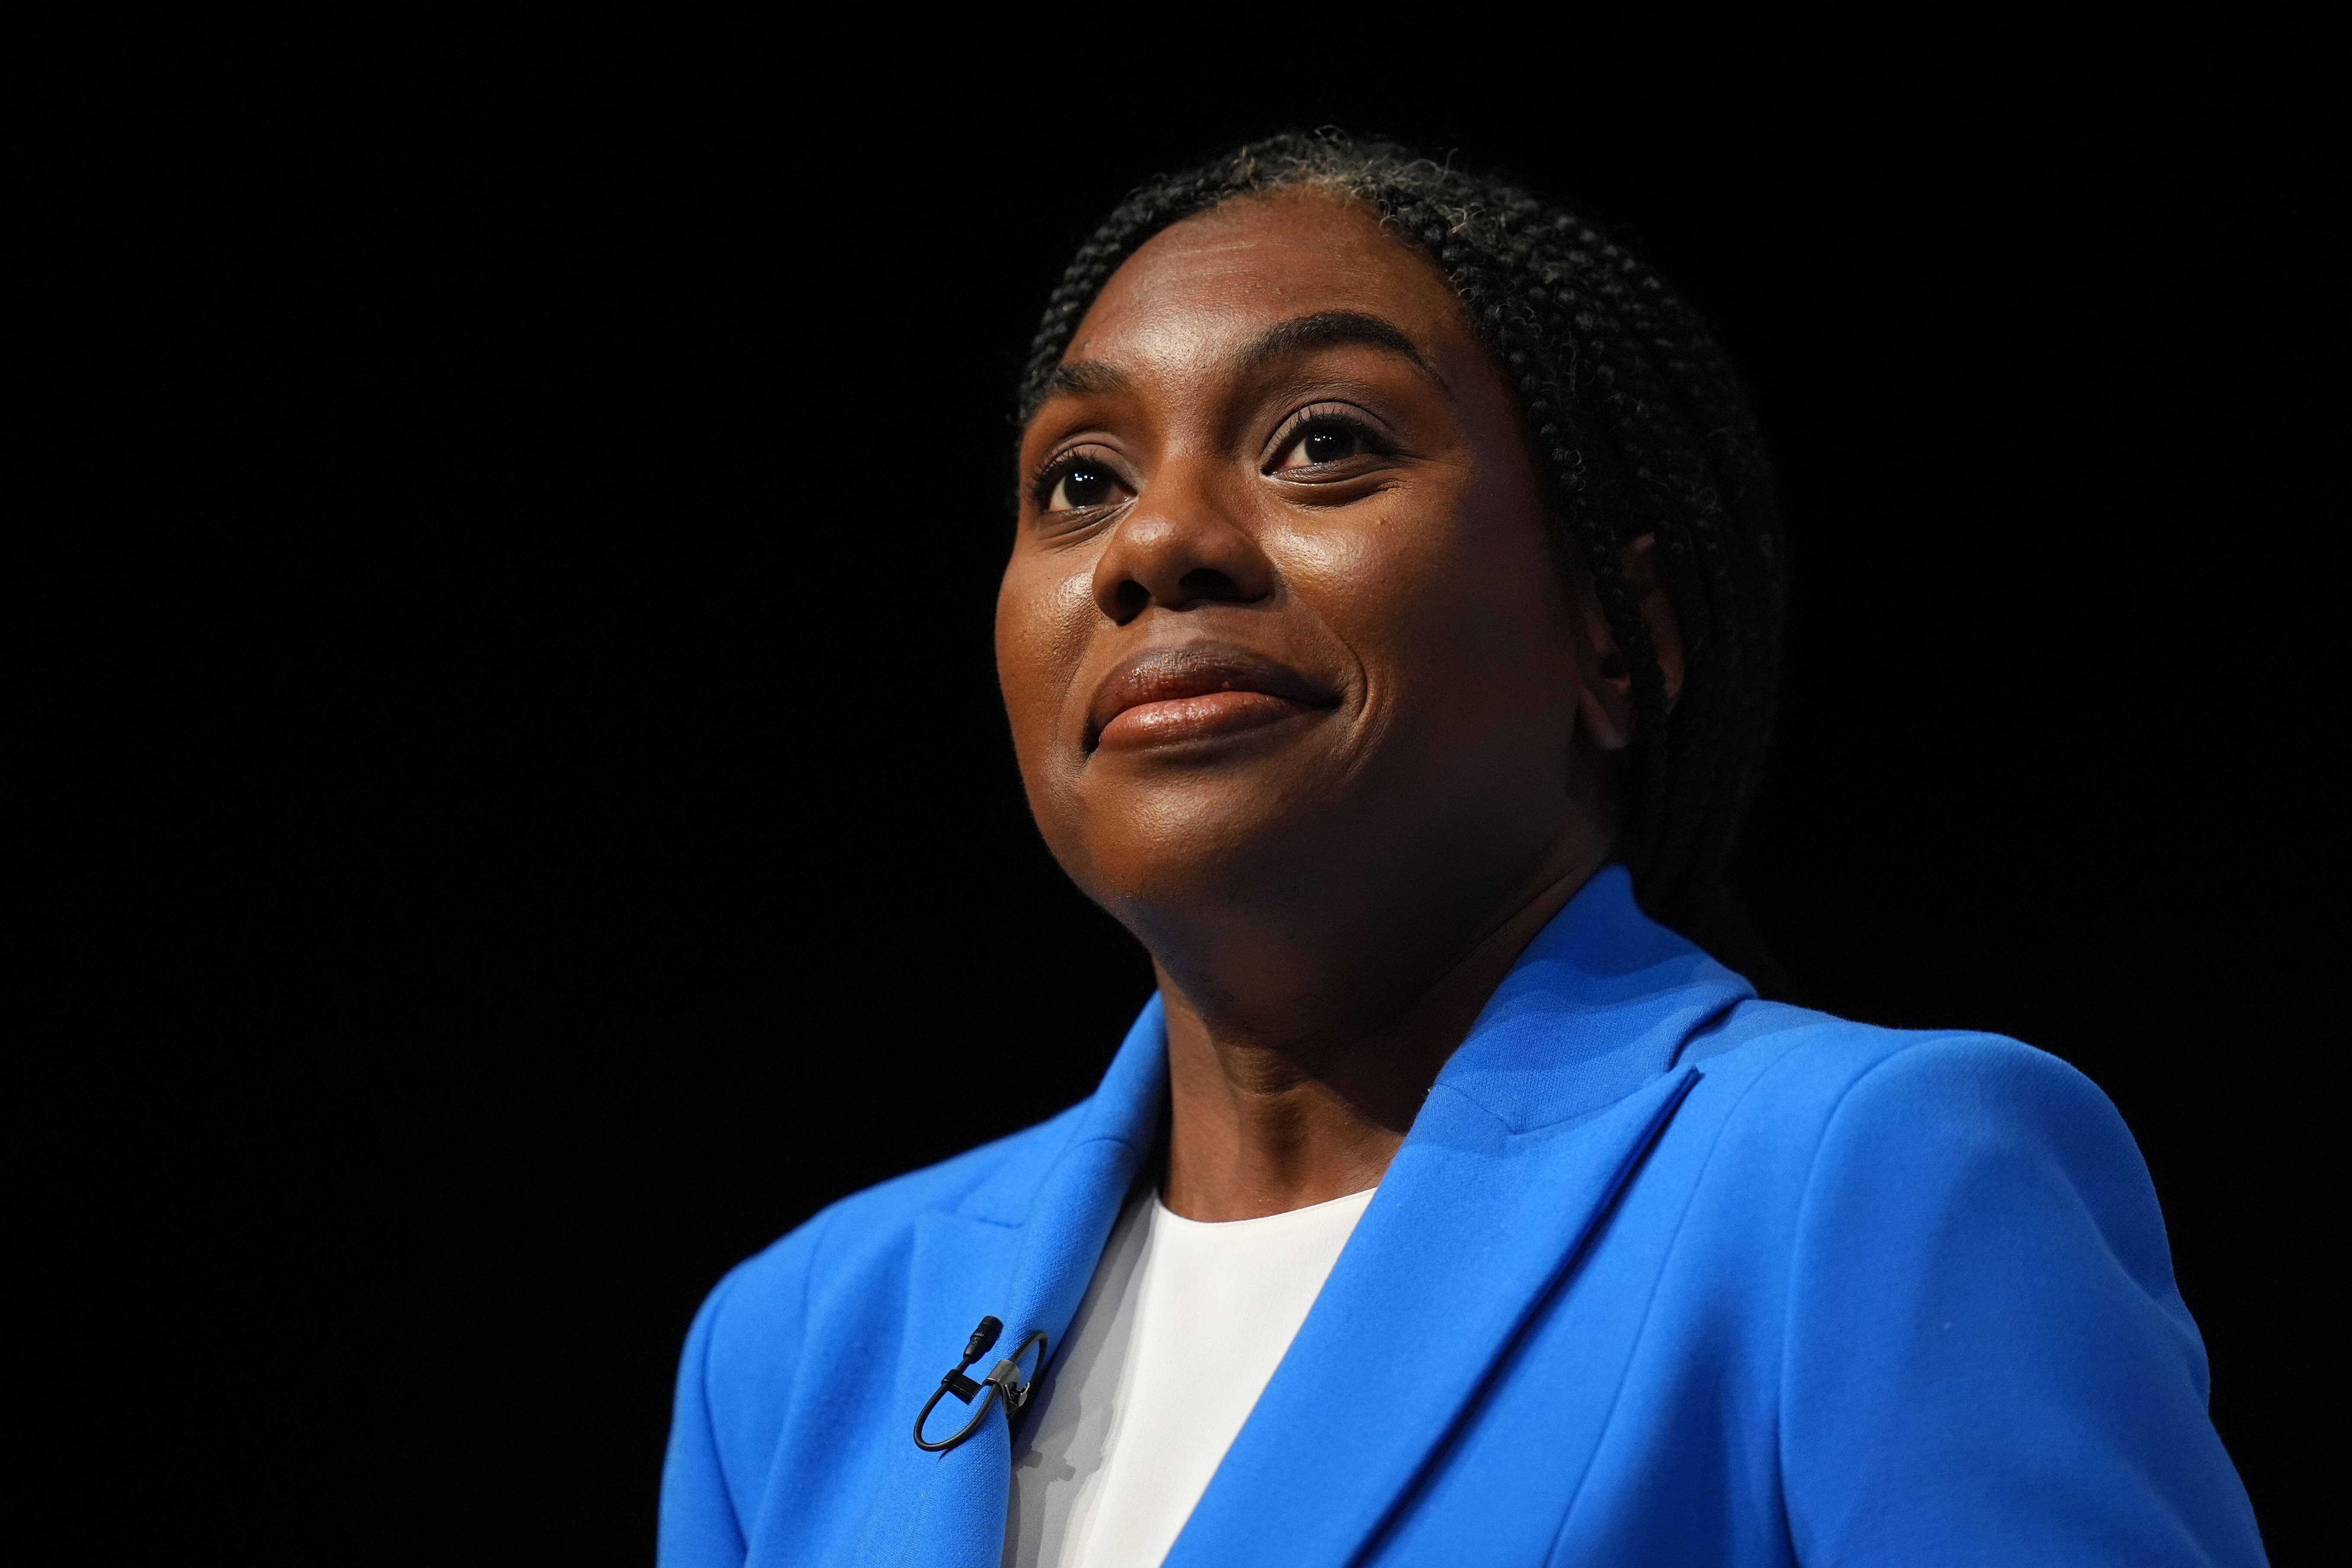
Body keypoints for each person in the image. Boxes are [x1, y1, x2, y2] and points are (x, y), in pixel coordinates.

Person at [658, 135, 2265, 1567]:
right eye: (1080, 482)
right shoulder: (802, 1337)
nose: (1155, 545)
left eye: (1322, 443)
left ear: (1617, 637)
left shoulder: (1872, 1179)